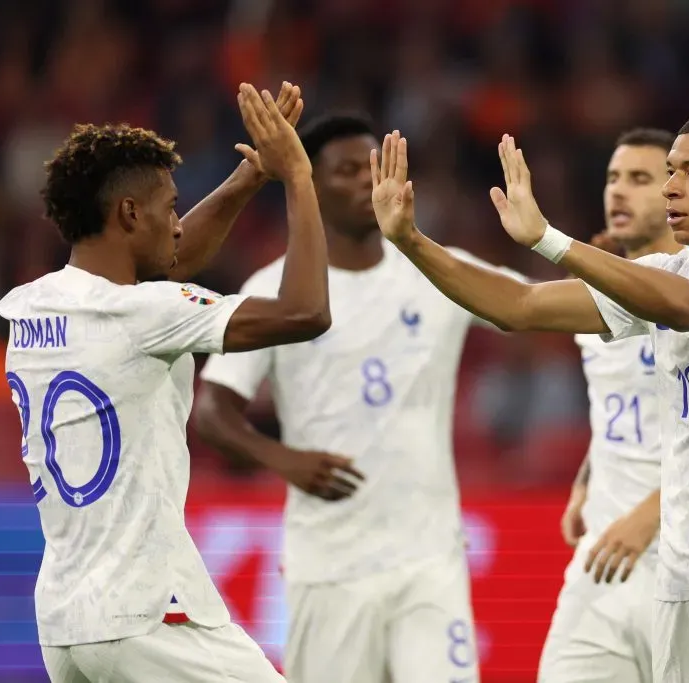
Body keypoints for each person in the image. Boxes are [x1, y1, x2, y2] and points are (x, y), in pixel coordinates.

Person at [371, 106, 689, 682]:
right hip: (683, 565)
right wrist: (411, 240)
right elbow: (518, 307)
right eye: (670, 171)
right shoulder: (671, 270)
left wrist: (548, 240)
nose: (673, 187)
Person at [0, 82, 338, 682]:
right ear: (130, 213)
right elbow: (306, 312)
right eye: (171, 208)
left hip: (66, 621)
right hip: (149, 612)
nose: (178, 225)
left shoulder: (31, 307)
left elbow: (165, 261)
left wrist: (249, 177)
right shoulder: (142, 314)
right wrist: (298, 178)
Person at [192, 114, 528, 683]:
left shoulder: (436, 270)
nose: (365, 183)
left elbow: (533, 306)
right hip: (330, 565)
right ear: (311, 185)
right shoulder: (276, 287)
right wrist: (285, 460)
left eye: (374, 168)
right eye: (346, 170)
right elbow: (210, 411)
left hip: (429, 559)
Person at [539, 127, 680, 683]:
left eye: (640, 180)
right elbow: (615, 406)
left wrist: (651, 514)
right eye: (613, 178)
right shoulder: (592, 291)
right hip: (602, 561)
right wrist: (587, 478)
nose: (618, 192)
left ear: (678, 195)